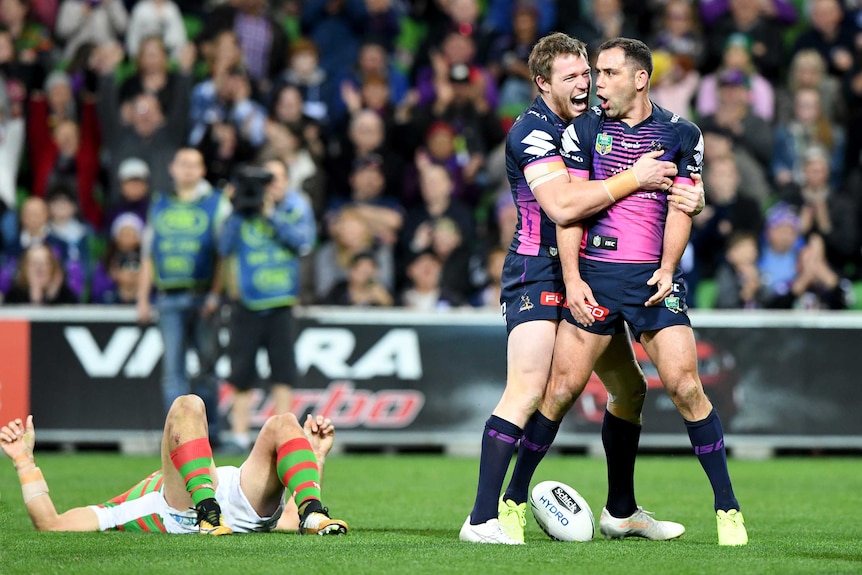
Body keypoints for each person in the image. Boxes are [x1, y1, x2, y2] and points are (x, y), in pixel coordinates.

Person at [459, 32, 703, 545]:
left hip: (590, 275)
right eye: (571, 77)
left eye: (587, 74)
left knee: (629, 389)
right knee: (528, 389)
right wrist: (636, 178)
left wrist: (689, 194)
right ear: (542, 83)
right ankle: (484, 516)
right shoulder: (533, 132)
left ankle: (621, 511)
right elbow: (565, 208)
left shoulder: (588, 128)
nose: (585, 85)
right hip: (537, 272)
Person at [537, 37, 748, 546]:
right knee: (561, 392)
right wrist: (572, 277)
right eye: (593, 73)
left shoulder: (681, 133)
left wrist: (669, 266)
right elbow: (569, 210)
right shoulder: (584, 129)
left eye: (607, 73)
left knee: (686, 387)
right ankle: (512, 501)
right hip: (598, 276)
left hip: (652, 280)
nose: (595, 83)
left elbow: (683, 203)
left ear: (640, 78)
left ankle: (728, 510)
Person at [0, 396, 348, 535]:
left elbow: (287, 521)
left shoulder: (145, 492)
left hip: (230, 498)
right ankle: (206, 513)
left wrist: (313, 454)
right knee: (188, 404)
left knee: (284, 423)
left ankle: (314, 513)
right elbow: (50, 524)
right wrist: (24, 461)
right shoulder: (121, 510)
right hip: (185, 507)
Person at [217, 159, 316, 453]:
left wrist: (271, 215)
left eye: (276, 178)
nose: (271, 185)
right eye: (266, 179)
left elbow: (304, 242)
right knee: (241, 370)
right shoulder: (242, 212)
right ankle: (239, 435)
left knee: (283, 370)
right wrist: (237, 210)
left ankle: (284, 435)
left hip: (282, 301)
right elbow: (223, 246)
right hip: (247, 301)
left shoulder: (297, 207)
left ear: (286, 181)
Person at [136, 148, 228, 445]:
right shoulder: (159, 204)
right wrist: (142, 298)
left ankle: (210, 433)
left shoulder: (217, 204)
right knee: (173, 370)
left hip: (203, 297)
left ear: (202, 170)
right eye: (183, 163)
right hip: (168, 296)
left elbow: (223, 254)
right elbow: (148, 255)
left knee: (206, 368)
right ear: (173, 169)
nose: (188, 169)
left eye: (194, 164)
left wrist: (215, 293)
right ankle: (177, 439)